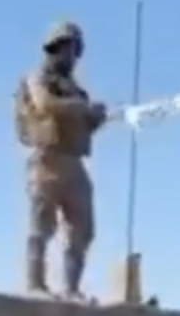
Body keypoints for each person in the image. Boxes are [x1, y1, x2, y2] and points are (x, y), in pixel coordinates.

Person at [14, 20, 109, 301]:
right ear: (54, 49)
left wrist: (95, 118)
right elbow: (44, 104)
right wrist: (80, 108)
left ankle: (71, 289)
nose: (70, 56)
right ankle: (35, 286)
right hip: (46, 158)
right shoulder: (37, 79)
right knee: (41, 225)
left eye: (74, 50)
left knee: (83, 228)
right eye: (66, 48)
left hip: (73, 162)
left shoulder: (76, 91)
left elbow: (83, 127)